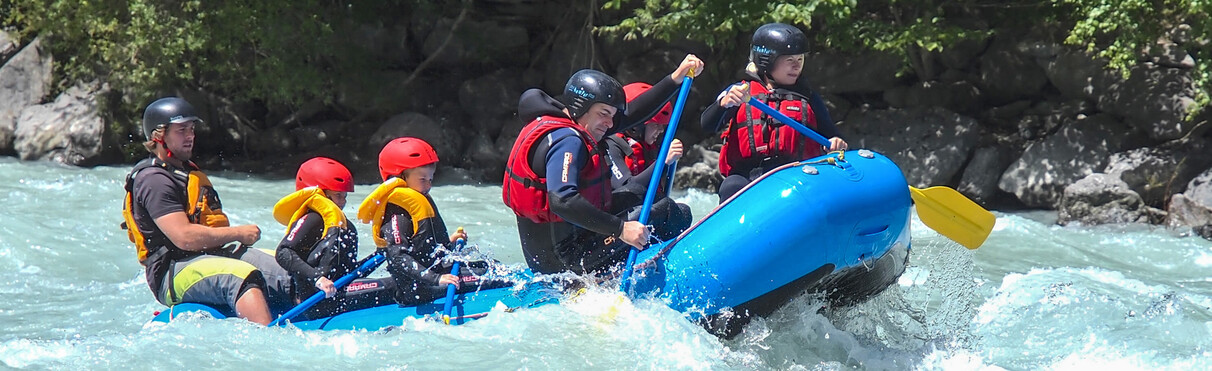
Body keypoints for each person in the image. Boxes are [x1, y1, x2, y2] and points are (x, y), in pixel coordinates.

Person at [503, 54, 704, 275]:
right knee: (671, 212)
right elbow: (562, 200)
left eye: (612, 115)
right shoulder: (567, 141)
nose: (610, 123)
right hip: (564, 260)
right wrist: (621, 229)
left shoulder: (570, 119)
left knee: (642, 193)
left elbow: (633, 114)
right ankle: (668, 277)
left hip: (570, 239)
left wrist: (674, 79)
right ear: (581, 107)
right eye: (604, 114)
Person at [120, 96, 291, 325]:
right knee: (240, 276)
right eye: (181, 130)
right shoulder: (154, 181)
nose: (190, 136)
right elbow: (184, 237)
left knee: (284, 269)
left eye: (191, 129)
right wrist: (238, 234)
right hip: (171, 272)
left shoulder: (183, 172)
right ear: (158, 136)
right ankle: (268, 340)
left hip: (208, 255)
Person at [700, 23, 848, 203]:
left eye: (800, 60)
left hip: (795, 172)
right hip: (748, 176)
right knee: (731, 186)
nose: (796, 67)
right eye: (789, 61)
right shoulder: (739, 91)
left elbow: (832, 135)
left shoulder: (809, 98)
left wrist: (836, 142)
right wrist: (723, 104)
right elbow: (707, 125)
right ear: (766, 62)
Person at [358, 137, 507, 305]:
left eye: (430, 178)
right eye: (422, 179)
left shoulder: (416, 201)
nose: (428, 185)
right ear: (399, 177)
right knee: (498, 277)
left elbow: (423, 250)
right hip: (420, 288)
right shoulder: (397, 214)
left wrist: (448, 243)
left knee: (493, 266)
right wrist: (437, 279)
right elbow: (398, 258)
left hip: (434, 274)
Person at [273, 157, 394, 318]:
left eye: (344, 196)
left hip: (339, 291)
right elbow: (283, 252)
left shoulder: (342, 225)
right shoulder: (313, 218)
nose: (342, 202)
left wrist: (381, 253)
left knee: (399, 281)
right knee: (395, 285)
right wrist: (318, 279)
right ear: (321, 194)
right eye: (338, 195)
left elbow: (348, 273)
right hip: (320, 300)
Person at [602, 82, 694, 242]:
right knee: (664, 207)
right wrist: (662, 162)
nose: (661, 130)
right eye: (656, 125)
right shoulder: (611, 145)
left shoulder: (648, 147)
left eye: (663, 126)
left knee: (683, 211)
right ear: (637, 126)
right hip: (617, 224)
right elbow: (627, 188)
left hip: (643, 213)